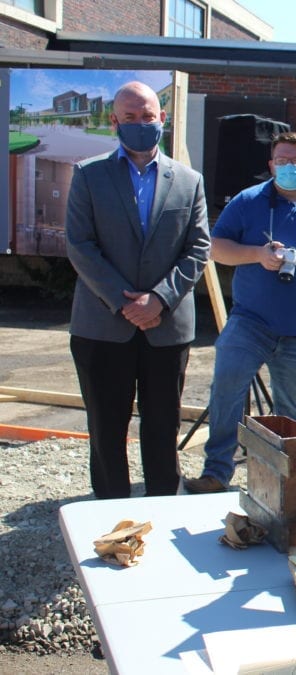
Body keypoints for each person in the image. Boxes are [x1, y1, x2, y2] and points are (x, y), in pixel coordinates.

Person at [184, 131, 296, 494]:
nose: (290, 168)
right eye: (282, 161)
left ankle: (284, 486)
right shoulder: (248, 201)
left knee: (290, 412)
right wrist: (257, 255)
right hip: (250, 323)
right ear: (271, 164)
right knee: (227, 387)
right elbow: (216, 247)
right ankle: (216, 472)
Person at [65, 81, 210, 500]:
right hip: (103, 325)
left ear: (162, 118)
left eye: (147, 116)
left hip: (167, 327)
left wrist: (159, 299)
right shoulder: (88, 175)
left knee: (163, 424)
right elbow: (80, 244)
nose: (140, 123)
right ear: (114, 121)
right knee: (106, 426)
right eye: (130, 117)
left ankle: (162, 503)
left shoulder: (189, 180)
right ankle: (110, 508)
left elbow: (198, 248)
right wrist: (123, 301)